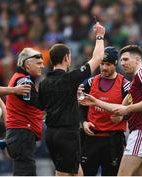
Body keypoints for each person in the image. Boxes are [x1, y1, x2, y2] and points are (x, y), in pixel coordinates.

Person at [80, 45, 142, 176]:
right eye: (122, 60)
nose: (123, 63)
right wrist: (85, 118)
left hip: (138, 132)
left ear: (137, 59)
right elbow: (119, 109)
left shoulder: (141, 74)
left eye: (126, 60)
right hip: (94, 138)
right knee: (141, 174)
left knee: (122, 175)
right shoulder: (91, 82)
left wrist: (126, 110)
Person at [38, 22, 105, 176]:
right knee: (72, 173)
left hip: (50, 134)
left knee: (64, 171)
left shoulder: (43, 83)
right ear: (66, 58)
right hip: (67, 133)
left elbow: (41, 109)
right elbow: (98, 57)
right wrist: (100, 36)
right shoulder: (70, 78)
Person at [79, 46, 130, 176]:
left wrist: (123, 117)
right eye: (102, 64)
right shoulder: (89, 83)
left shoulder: (125, 85)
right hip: (91, 138)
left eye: (108, 64)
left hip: (113, 141)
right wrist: (83, 122)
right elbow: (80, 106)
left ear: (115, 64)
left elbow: (135, 109)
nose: (104, 67)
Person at [6, 47, 44, 176]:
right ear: (27, 64)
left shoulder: (18, 77)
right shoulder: (24, 81)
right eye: (39, 63)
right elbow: (40, 104)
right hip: (22, 133)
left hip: (19, 134)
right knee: (26, 172)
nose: (42, 66)